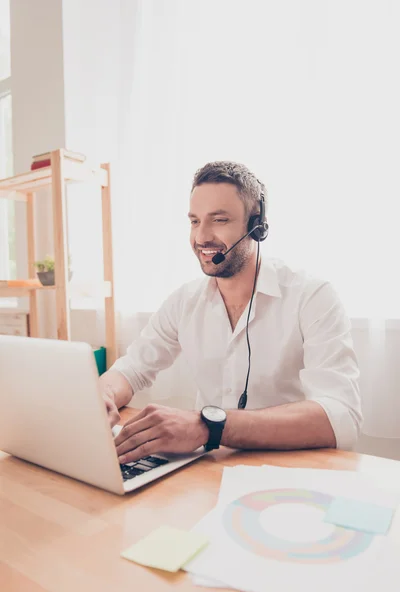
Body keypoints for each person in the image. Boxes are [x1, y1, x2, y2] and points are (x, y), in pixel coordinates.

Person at [100, 161, 362, 464]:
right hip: (213, 470)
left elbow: (341, 415)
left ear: (256, 226)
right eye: (195, 221)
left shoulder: (312, 296)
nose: (201, 237)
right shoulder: (184, 301)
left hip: (292, 473)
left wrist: (209, 426)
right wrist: (103, 394)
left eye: (219, 220)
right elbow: (131, 369)